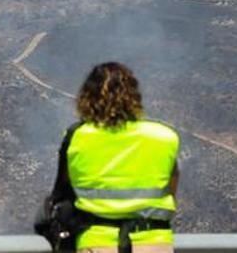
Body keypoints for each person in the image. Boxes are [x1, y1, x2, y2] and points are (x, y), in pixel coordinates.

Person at [48, 62, 179, 253]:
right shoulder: (164, 137)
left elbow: (63, 191)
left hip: (96, 241)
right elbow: (171, 191)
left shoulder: (77, 137)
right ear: (135, 97)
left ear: (86, 99)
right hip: (153, 242)